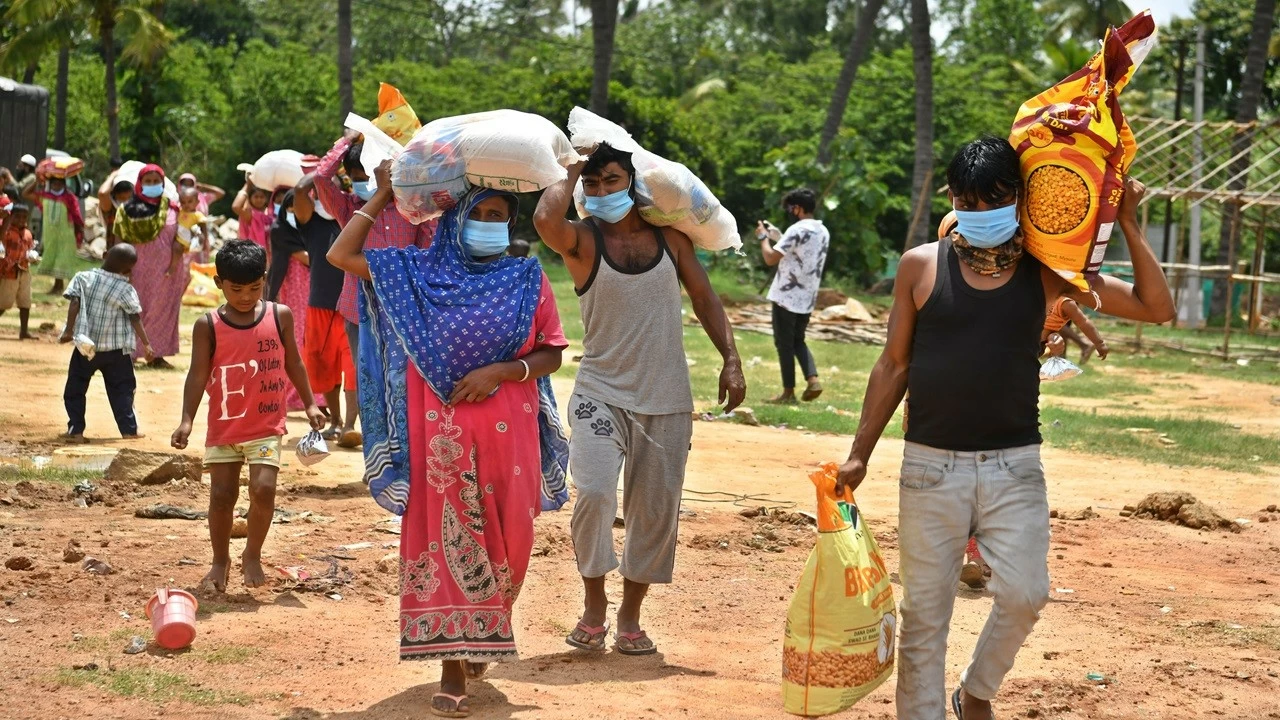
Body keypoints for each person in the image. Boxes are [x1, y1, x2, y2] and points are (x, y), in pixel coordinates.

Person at [834, 136, 1175, 720]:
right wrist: (859, 452)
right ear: (951, 198)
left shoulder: (1048, 275)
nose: (980, 211)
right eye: (967, 199)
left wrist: (1133, 227)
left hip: (1013, 466)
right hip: (929, 466)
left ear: (1019, 198)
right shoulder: (920, 266)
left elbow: (1154, 306)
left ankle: (976, 691)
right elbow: (893, 363)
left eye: (992, 199)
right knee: (925, 618)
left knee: (1025, 594)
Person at [328, 160, 570, 719]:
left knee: (511, 543)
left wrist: (501, 372)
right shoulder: (413, 272)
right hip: (440, 439)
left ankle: (483, 631)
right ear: (454, 219)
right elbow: (342, 256)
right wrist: (384, 192)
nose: (488, 224)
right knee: (446, 538)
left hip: (510, 435)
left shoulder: (525, 277)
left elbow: (552, 351)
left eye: (499, 217)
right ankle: (452, 664)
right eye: (478, 214)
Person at [534, 143, 746, 655]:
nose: (602, 191)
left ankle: (629, 615)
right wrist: (574, 167)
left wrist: (732, 359)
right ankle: (593, 605)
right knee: (595, 493)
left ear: (632, 183)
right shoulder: (582, 241)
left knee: (654, 512)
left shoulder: (672, 241)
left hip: (666, 398)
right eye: (593, 184)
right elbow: (545, 218)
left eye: (612, 180)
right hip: (599, 393)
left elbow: (703, 296)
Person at [171, 240, 324, 593]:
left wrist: (311, 403)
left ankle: (252, 554)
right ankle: (220, 559)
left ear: (265, 281)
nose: (244, 296)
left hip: (266, 424)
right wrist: (186, 419)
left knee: (264, 489)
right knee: (222, 495)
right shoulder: (207, 324)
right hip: (225, 425)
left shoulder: (279, 314)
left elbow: (294, 362)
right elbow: (197, 374)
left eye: (254, 288)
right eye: (236, 289)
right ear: (219, 283)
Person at [314, 130, 435, 447]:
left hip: (403, 311)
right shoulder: (347, 208)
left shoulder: (413, 210)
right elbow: (320, 178)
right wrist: (346, 143)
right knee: (370, 382)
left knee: (404, 383)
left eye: (371, 176)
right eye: (357, 178)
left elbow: (427, 251)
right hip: (359, 311)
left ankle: (402, 448)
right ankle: (379, 452)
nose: (364, 184)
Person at [59, 244, 155, 443]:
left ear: (104, 255)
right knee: (122, 389)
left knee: (76, 387)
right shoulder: (125, 288)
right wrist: (146, 344)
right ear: (128, 270)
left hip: (86, 348)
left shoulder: (82, 278)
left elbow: (74, 303)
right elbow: (134, 317)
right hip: (116, 352)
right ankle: (129, 430)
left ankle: (76, 430)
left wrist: (69, 330)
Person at [294, 173, 358, 444]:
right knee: (323, 368)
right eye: (324, 190)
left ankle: (350, 426)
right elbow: (299, 191)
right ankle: (335, 420)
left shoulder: (355, 218)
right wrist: (321, 172)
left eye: (336, 187)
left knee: (352, 368)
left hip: (352, 304)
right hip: (320, 304)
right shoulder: (312, 222)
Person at [758, 187, 830, 404]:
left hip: (786, 297)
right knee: (799, 340)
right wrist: (777, 236)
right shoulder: (822, 231)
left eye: (790, 207)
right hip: (807, 298)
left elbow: (771, 258)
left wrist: (763, 238)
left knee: (784, 344)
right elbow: (798, 251)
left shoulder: (796, 230)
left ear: (797, 208)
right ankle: (813, 379)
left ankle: (788, 392)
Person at [113, 164, 185, 369]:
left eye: (156, 182)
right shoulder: (126, 210)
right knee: (134, 308)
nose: (152, 185)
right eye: (148, 182)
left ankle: (156, 355)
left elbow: (180, 235)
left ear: (163, 183)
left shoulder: (172, 208)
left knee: (162, 311)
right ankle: (130, 354)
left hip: (167, 271)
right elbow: (119, 238)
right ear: (140, 184)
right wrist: (120, 265)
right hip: (135, 268)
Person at [266, 190, 315, 413]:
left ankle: (312, 394)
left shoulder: (309, 230)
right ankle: (291, 395)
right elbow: (304, 257)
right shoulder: (280, 229)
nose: (295, 211)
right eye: (291, 206)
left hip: (312, 287)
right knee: (295, 337)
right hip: (292, 286)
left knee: (309, 336)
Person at [24, 165, 88, 295]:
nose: (56, 185)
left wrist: (80, 230)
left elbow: (76, 215)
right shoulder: (45, 196)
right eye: (54, 183)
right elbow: (25, 194)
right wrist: (37, 181)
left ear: (64, 184)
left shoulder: (70, 198)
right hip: (51, 234)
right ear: (50, 183)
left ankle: (59, 287)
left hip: (66, 234)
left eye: (59, 183)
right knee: (53, 257)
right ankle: (57, 286)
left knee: (61, 259)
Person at [0, 200, 37, 339]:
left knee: (25, 301)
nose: (21, 220)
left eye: (24, 217)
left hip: (24, 270)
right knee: (4, 302)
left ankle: (24, 331)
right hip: (9, 272)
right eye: (17, 216)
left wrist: (32, 255)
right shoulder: (7, 232)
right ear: (11, 216)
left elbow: (30, 247)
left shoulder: (27, 233)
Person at [232, 181, 275, 252]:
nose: (259, 199)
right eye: (256, 197)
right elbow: (236, 207)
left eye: (261, 197)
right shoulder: (250, 214)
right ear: (250, 198)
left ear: (266, 198)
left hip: (270, 254)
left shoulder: (270, 214)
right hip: (251, 253)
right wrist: (247, 185)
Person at [98, 179, 136, 243]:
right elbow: (103, 193)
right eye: (122, 198)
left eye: (130, 198)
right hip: (116, 252)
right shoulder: (111, 212)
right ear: (114, 199)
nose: (126, 202)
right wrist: (114, 174)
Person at [176, 187, 210, 255]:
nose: (186, 205)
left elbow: (204, 230)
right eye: (183, 202)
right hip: (178, 239)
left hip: (190, 241)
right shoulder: (179, 211)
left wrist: (205, 243)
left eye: (190, 201)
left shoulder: (198, 215)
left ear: (197, 202)